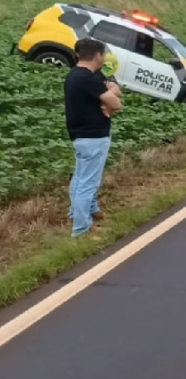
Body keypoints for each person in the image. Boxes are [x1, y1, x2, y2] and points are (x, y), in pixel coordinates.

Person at [64, 39, 123, 238]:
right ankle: (82, 230)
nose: (105, 59)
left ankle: (76, 214)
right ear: (97, 56)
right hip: (93, 136)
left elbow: (113, 90)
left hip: (82, 136)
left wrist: (107, 97)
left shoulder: (76, 75)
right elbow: (116, 103)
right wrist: (108, 101)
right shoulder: (87, 79)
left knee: (80, 178)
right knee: (88, 184)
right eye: (103, 55)